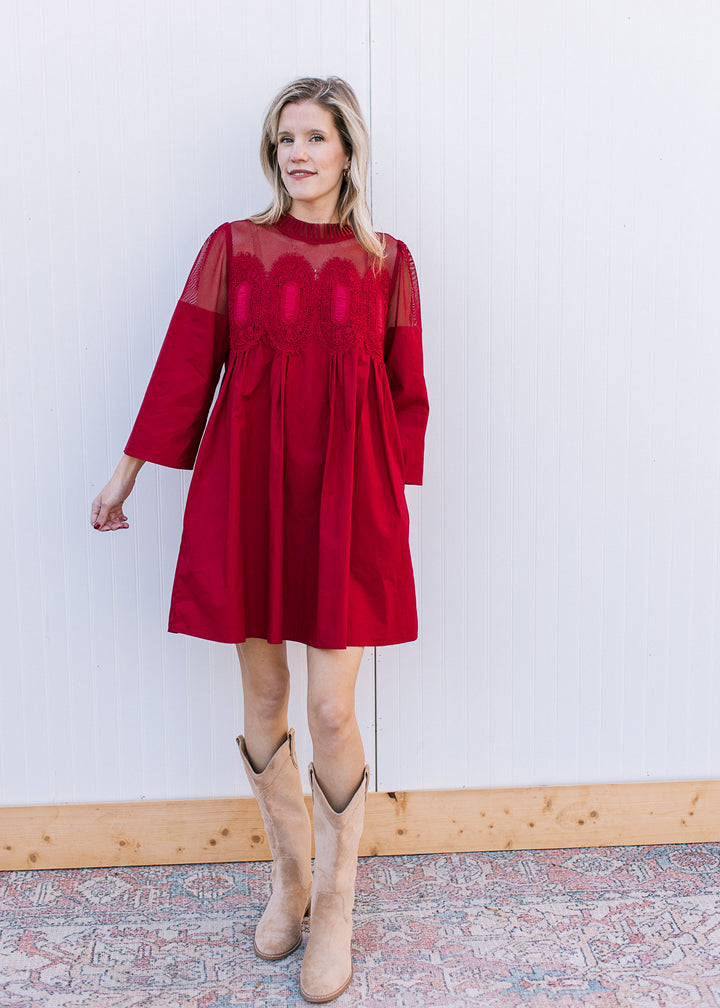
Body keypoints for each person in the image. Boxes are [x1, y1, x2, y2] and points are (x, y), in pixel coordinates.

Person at [91, 76, 429, 1004]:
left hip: (346, 503)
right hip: (249, 489)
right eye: (284, 138)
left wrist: (384, 518)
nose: (297, 153)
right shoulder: (233, 248)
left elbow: (406, 398)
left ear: (348, 152)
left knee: (330, 710)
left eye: (315, 137)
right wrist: (126, 475)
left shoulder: (388, 261)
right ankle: (289, 880)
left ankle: (338, 903)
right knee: (268, 693)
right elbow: (185, 363)